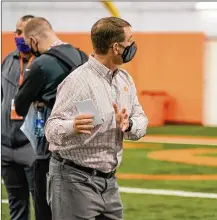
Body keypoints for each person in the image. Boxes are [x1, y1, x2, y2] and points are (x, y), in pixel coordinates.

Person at [44, 17, 148, 220]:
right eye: (130, 40)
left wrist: (129, 125)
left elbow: (141, 118)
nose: (133, 45)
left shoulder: (124, 79)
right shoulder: (77, 82)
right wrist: (71, 126)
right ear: (116, 47)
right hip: (73, 180)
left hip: (108, 182)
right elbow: (51, 129)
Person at [14, 17, 88, 220]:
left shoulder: (40, 64)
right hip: (81, 150)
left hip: (49, 149)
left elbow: (20, 106)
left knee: (45, 209)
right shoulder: (82, 57)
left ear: (33, 40)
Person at [1, 14, 36, 220]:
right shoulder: (8, 60)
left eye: (20, 32)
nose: (16, 35)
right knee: (16, 206)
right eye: (15, 31)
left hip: (32, 146)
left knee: (42, 205)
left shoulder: (43, 62)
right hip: (6, 146)